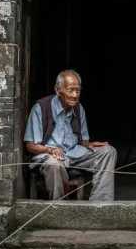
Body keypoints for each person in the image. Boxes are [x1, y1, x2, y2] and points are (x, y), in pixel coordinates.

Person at [24, 70, 116, 201]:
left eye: (77, 91)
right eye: (70, 90)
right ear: (58, 90)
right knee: (54, 165)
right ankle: (60, 207)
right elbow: (30, 146)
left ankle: (100, 203)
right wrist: (50, 150)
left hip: (73, 154)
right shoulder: (41, 108)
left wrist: (88, 145)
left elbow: (82, 141)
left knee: (108, 151)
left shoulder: (79, 109)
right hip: (50, 155)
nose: (75, 95)